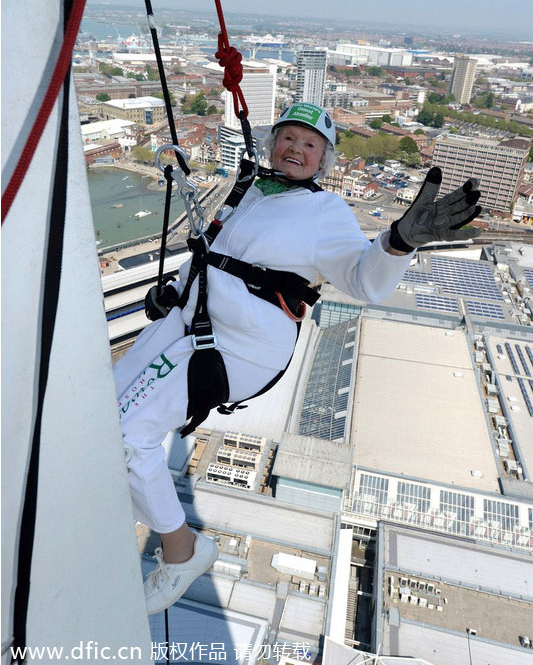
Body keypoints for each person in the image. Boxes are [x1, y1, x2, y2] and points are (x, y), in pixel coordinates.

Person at [114, 101, 482, 615]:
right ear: (272, 144)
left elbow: (362, 279)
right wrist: (172, 291)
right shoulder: (248, 190)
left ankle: (182, 552)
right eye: (288, 137)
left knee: (129, 438)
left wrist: (398, 242)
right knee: (103, 411)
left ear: (323, 161)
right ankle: (120, 499)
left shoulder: (323, 212)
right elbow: (211, 254)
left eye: (310, 144)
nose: (296, 149)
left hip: (238, 344)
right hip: (188, 320)